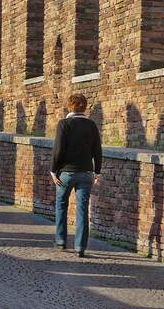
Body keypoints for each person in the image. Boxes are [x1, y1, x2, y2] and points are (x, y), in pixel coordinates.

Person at [50, 93, 102, 257]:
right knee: (82, 210)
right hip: (86, 173)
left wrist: (53, 170)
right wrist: (97, 171)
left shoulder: (64, 124)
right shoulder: (91, 125)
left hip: (66, 173)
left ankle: (60, 241)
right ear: (85, 107)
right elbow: (97, 150)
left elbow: (58, 150)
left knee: (61, 205)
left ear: (69, 106)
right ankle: (80, 247)